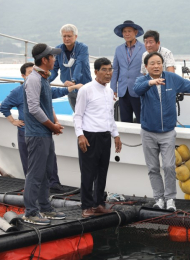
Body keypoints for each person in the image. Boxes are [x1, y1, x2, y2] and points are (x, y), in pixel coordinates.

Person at [133, 52, 190, 211]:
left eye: (158, 63)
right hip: (148, 132)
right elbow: (136, 90)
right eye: (152, 63)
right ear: (146, 66)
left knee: (169, 166)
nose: (156, 66)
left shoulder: (172, 78)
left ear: (162, 64)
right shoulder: (142, 80)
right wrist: (151, 83)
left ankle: (170, 200)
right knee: (153, 168)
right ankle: (159, 199)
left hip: (167, 132)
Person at [0, 62, 83, 190]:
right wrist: (13, 121)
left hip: (45, 129)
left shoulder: (42, 87)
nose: (33, 76)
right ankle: (34, 190)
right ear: (23, 76)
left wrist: (72, 88)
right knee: (30, 163)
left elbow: (52, 99)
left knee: (50, 159)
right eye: (29, 73)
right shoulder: (18, 91)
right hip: (27, 131)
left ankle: (54, 184)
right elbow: (4, 106)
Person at [22, 43, 66, 225]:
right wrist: (51, 126)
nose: (55, 60)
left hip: (44, 133)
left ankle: (45, 208)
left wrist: (53, 125)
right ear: (45, 60)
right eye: (52, 57)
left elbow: (45, 104)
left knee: (46, 172)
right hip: (37, 134)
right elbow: (33, 108)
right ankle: (31, 212)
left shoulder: (43, 77)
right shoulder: (33, 79)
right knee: (35, 174)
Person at [74, 57, 122, 218]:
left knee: (102, 171)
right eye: (104, 70)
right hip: (89, 135)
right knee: (88, 172)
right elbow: (78, 115)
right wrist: (80, 135)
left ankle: (99, 204)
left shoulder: (109, 92)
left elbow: (110, 116)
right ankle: (87, 206)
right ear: (96, 72)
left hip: (104, 136)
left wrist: (116, 135)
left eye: (110, 70)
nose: (108, 73)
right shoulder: (86, 90)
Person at [49, 24, 92, 112]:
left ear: (75, 36)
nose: (67, 39)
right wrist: (46, 81)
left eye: (69, 36)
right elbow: (54, 68)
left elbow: (80, 65)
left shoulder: (82, 48)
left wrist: (73, 81)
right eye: (64, 36)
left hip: (83, 86)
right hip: (69, 88)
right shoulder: (58, 49)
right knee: (76, 113)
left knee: (88, 113)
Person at [111, 20, 146, 123]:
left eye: (129, 31)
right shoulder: (119, 49)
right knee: (125, 120)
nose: (127, 34)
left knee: (142, 118)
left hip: (139, 89)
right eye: (125, 31)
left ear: (135, 32)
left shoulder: (144, 48)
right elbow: (115, 69)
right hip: (123, 90)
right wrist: (113, 88)